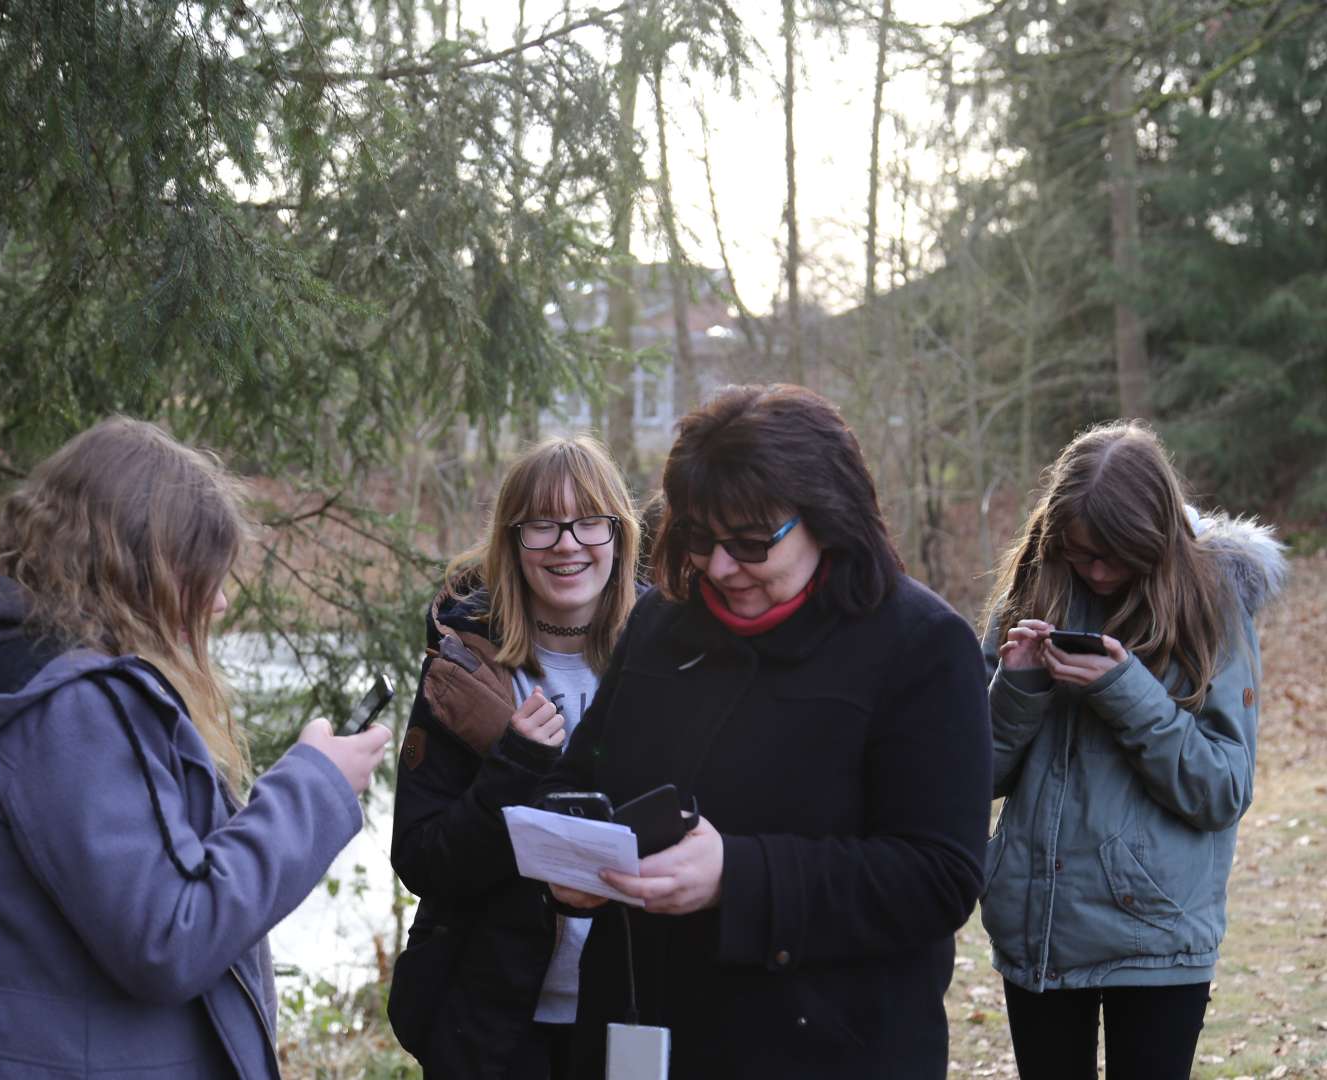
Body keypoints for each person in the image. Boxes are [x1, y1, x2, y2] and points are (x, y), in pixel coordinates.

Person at [0, 417, 391, 1080]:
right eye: (204, 577)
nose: (222, 602)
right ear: (140, 571)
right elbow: (171, 935)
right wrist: (317, 787)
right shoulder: (72, 711)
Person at [542, 384, 993, 1078]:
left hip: (827, 1046)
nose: (720, 567)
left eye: (751, 542)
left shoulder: (922, 648)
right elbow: (585, 774)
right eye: (699, 538)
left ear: (828, 519)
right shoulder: (662, 625)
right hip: (644, 1027)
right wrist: (570, 864)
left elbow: (938, 877)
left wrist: (739, 876)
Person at [979, 420, 1288, 1080]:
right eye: (1081, 553)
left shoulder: (1214, 609)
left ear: (1155, 542)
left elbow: (1223, 790)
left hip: (1159, 937)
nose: (1096, 571)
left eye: (1115, 555)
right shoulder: (1030, 592)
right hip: (1040, 926)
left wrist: (1125, 691)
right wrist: (1019, 686)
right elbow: (976, 776)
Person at [387, 436, 641, 1079]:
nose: (567, 543)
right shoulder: (463, 671)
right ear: (511, 540)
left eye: (589, 522)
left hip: (632, 1007)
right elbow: (420, 859)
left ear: (619, 534)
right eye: (542, 525)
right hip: (494, 1020)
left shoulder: (666, 660)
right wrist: (512, 766)